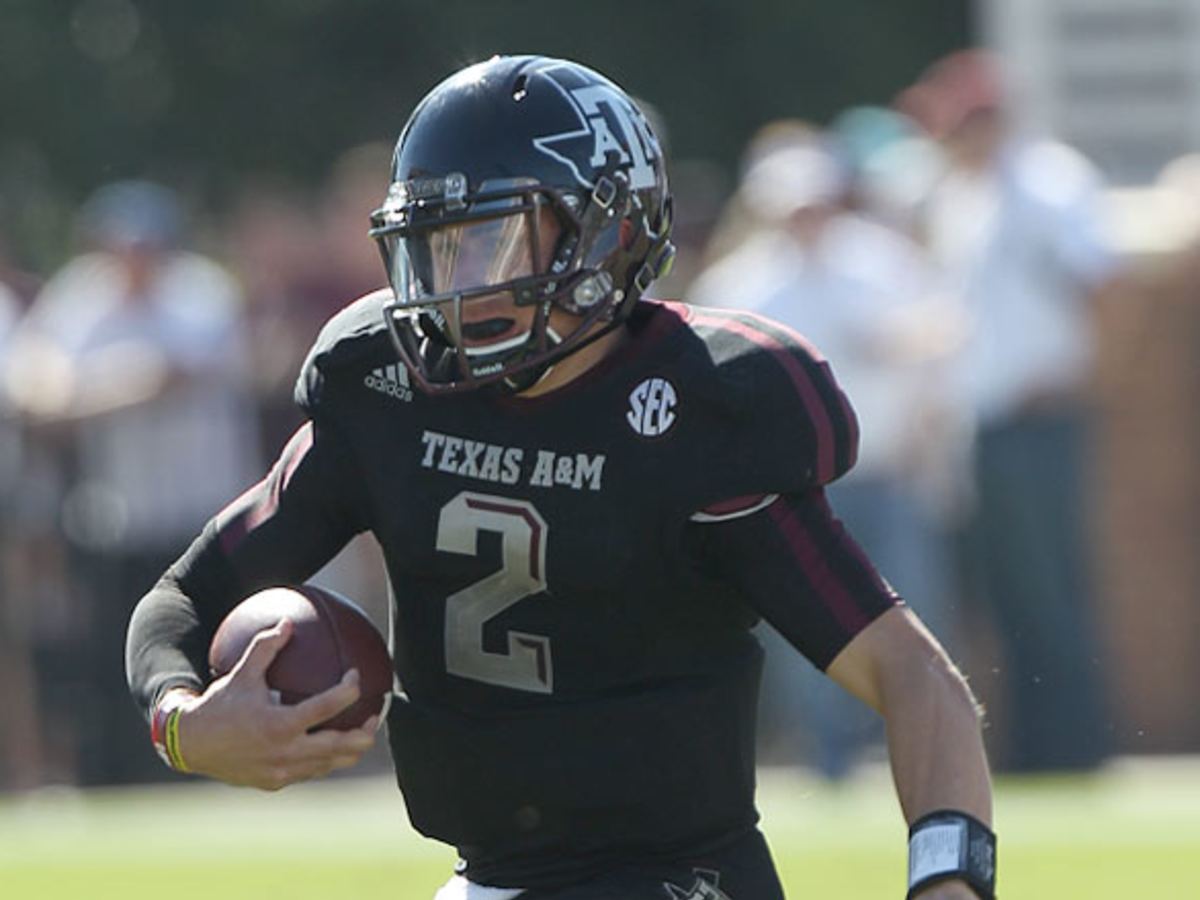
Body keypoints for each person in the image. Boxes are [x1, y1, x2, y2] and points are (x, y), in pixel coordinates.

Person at [125, 56, 995, 899]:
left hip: (681, 883)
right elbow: (180, 601)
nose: (451, 287)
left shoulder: (700, 409)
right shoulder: (389, 393)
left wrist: (948, 880)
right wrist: (184, 725)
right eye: (433, 249)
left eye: (489, 242)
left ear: (603, 234)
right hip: (492, 877)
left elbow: (915, 678)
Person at [689, 137, 967, 779]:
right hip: (802, 486)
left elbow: (945, 334)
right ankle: (830, 755)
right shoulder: (744, 284)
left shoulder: (880, 263)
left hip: (891, 470)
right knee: (808, 625)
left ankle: (901, 742)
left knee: (913, 609)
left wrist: (897, 347)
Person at [900, 50, 1118, 772]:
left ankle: (1074, 749)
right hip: (983, 428)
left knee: (1049, 592)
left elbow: (1103, 287)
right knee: (1008, 597)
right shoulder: (964, 197)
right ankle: (1029, 750)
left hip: (1037, 417)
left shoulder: (1048, 184)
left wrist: (1077, 375)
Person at [8, 180, 262, 783]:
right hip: (119, 519)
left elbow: (172, 375)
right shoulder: (82, 298)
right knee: (113, 661)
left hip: (200, 517)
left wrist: (90, 393)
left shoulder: (200, 294)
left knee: (206, 652)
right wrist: (119, 387)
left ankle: (210, 770)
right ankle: (123, 775)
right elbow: (35, 390)